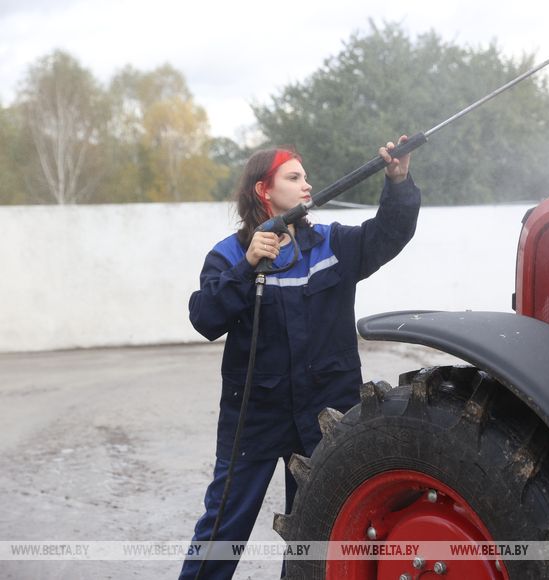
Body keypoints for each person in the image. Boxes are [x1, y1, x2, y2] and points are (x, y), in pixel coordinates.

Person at [179, 137, 421, 580]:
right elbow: (204, 318)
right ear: (263, 191)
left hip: (325, 411)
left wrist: (398, 179)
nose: (307, 185)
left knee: (317, 529)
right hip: (254, 414)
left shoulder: (332, 244)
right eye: (294, 177)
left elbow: (389, 233)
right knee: (223, 525)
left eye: (306, 177)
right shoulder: (231, 254)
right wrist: (247, 265)